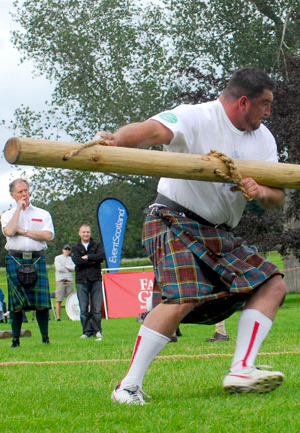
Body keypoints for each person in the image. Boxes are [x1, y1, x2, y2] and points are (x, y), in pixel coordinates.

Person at [96, 67, 287, 405]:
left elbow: (277, 196)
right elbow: (153, 130)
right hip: (172, 218)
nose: (268, 112)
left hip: (218, 232)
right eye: (265, 104)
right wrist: (115, 140)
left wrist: (260, 193)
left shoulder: (264, 139)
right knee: (183, 297)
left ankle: (242, 368)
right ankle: (127, 387)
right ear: (244, 102)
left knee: (273, 283)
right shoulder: (196, 116)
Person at [0, 178, 54, 347]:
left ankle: (45, 338)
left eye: (26, 191)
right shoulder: (7, 215)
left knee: (41, 303)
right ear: (12, 195)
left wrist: (23, 231)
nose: (24, 194)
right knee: (16, 304)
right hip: (15, 259)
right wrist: (18, 210)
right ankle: (15, 340)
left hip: (37, 258)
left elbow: (47, 235)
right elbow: (9, 230)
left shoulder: (42, 213)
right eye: (20, 192)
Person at [71, 224, 105, 340]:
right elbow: (77, 261)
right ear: (79, 233)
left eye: (88, 232)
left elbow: (101, 256)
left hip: (95, 279)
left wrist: (88, 257)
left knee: (97, 307)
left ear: (90, 233)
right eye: (84, 232)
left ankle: (97, 330)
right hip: (81, 280)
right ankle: (86, 331)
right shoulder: (75, 247)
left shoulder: (97, 245)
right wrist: (92, 259)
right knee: (83, 308)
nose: (86, 234)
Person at [54, 244, 75, 321]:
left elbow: (74, 268)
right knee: (59, 299)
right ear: (62, 250)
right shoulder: (58, 258)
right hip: (60, 281)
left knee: (70, 299)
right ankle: (58, 317)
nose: (67, 250)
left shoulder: (71, 259)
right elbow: (58, 268)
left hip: (69, 280)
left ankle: (70, 316)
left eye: (68, 249)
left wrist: (65, 266)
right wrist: (68, 267)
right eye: (65, 249)